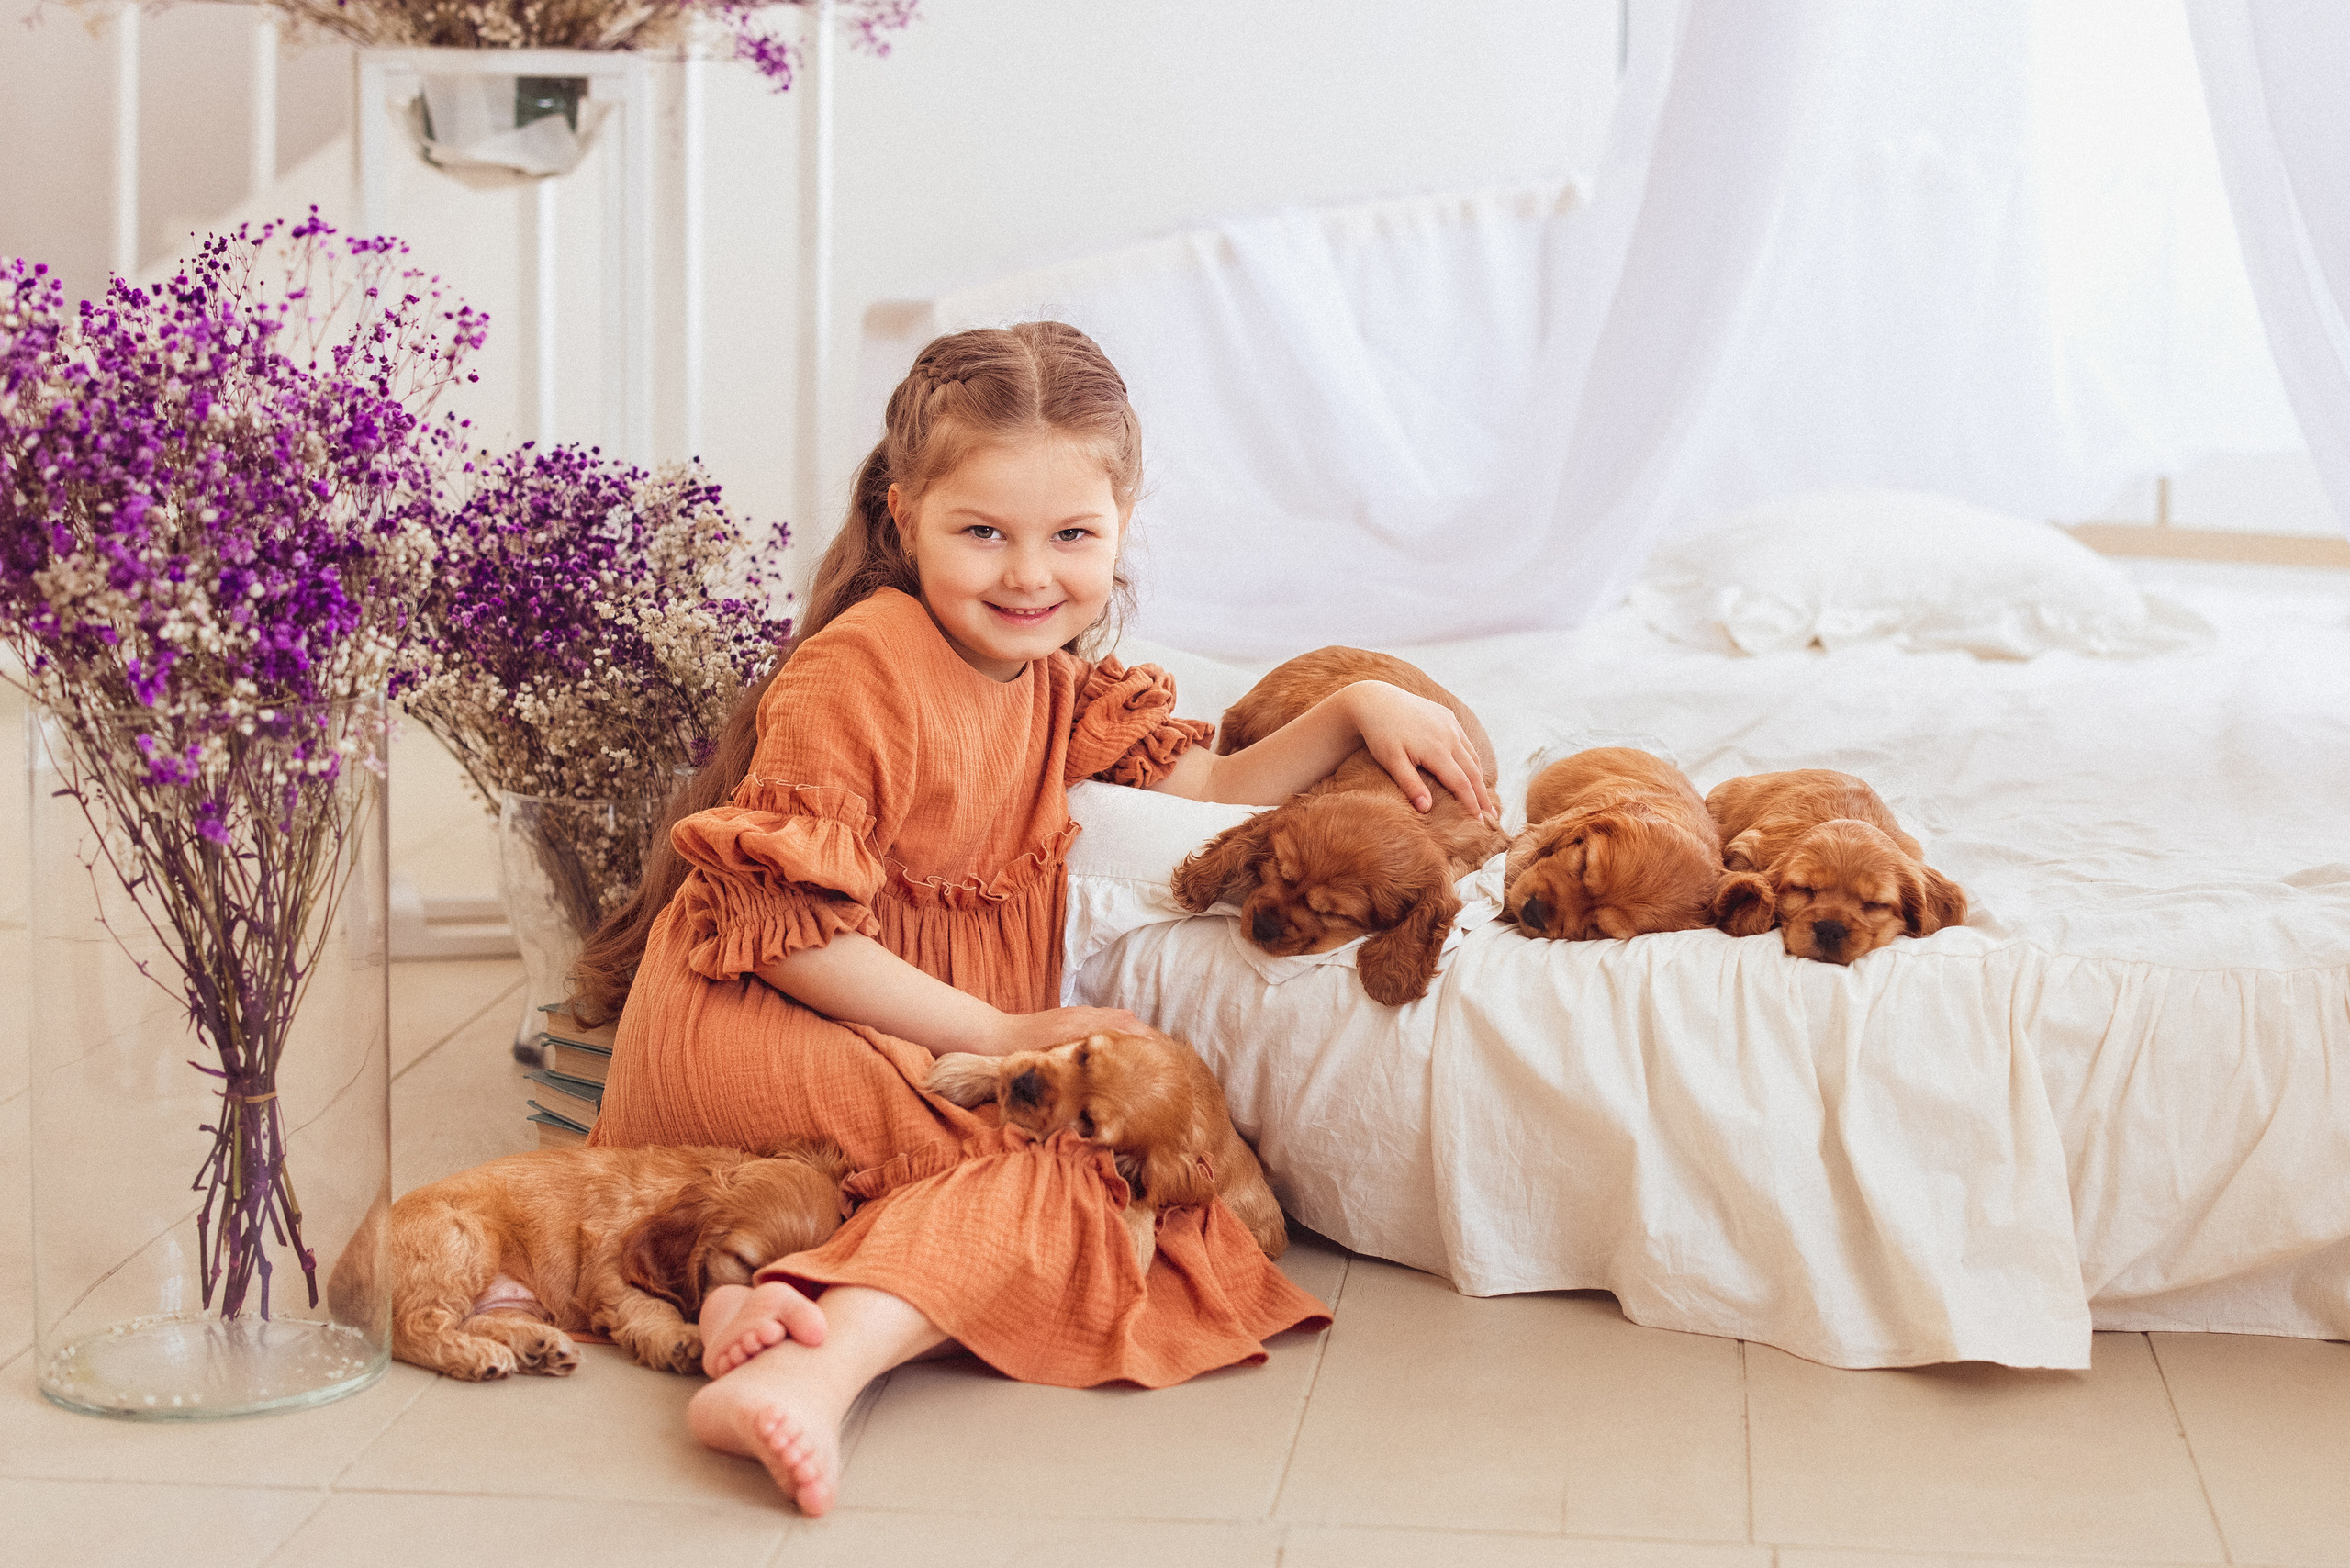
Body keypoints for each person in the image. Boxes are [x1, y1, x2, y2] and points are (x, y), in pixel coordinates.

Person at [572, 321, 1497, 1513]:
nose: (1028, 575)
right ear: (905, 515)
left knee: (1132, 1182)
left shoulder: (1052, 681)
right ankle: (818, 1372)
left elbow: (1215, 783)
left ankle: (746, 1290)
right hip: (764, 1021)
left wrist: (1359, 703)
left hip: (894, 1038)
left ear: (1122, 525)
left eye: (1072, 537)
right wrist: (1002, 1033)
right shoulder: (862, 669)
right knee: (1086, 1182)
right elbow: (792, 932)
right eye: (983, 534)